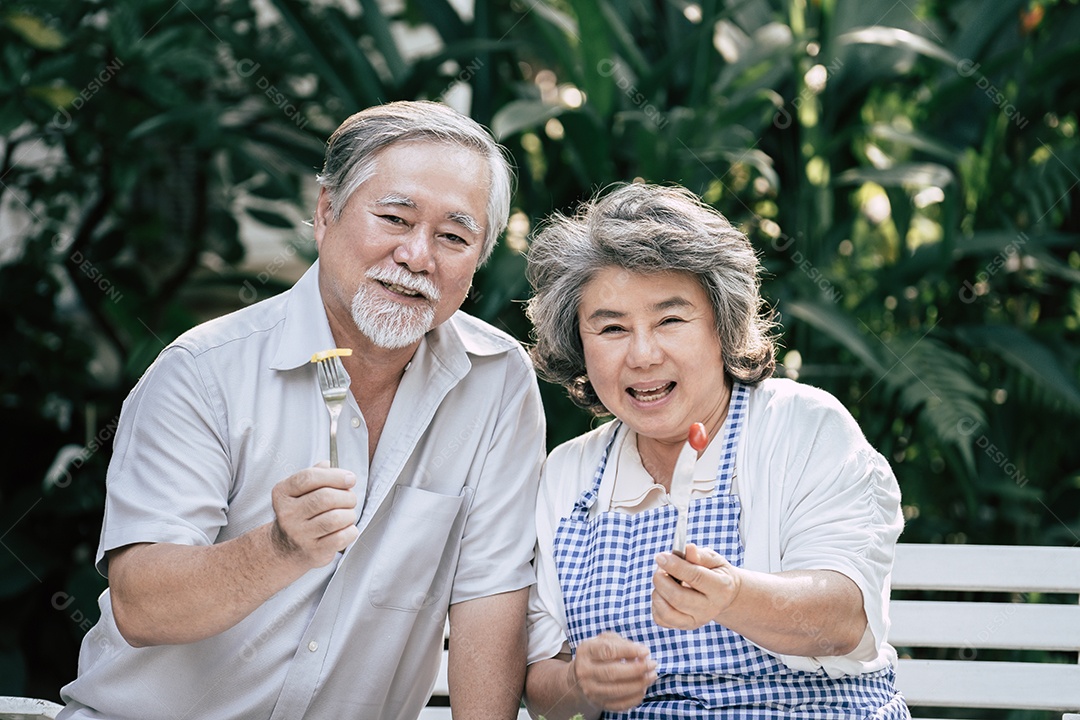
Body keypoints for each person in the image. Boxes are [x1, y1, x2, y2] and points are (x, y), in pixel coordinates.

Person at [59, 101, 545, 720]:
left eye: (453, 236)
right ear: (325, 213)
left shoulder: (497, 381)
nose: (418, 256)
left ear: (478, 258)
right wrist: (279, 549)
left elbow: (489, 595)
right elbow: (142, 606)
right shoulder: (205, 371)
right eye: (395, 218)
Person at [522, 183, 908, 719]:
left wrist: (729, 595)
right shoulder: (568, 474)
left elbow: (843, 620)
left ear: (722, 327)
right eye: (611, 328)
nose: (642, 354)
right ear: (579, 346)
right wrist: (582, 683)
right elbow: (544, 685)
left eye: (670, 321)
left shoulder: (803, 427)